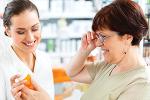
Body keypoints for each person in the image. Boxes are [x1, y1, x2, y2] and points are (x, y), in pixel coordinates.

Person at [66, 0, 150, 100]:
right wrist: (85, 50)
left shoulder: (141, 84)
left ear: (128, 38)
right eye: (98, 36)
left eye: (103, 36)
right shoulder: (109, 66)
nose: (99, 43)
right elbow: (72, 73)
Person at [0, 0, 54, 100]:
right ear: (8, 31)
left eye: (35, 29)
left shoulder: (45, 59)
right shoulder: (2, 65)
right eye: (21, 32)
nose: (30, 38)